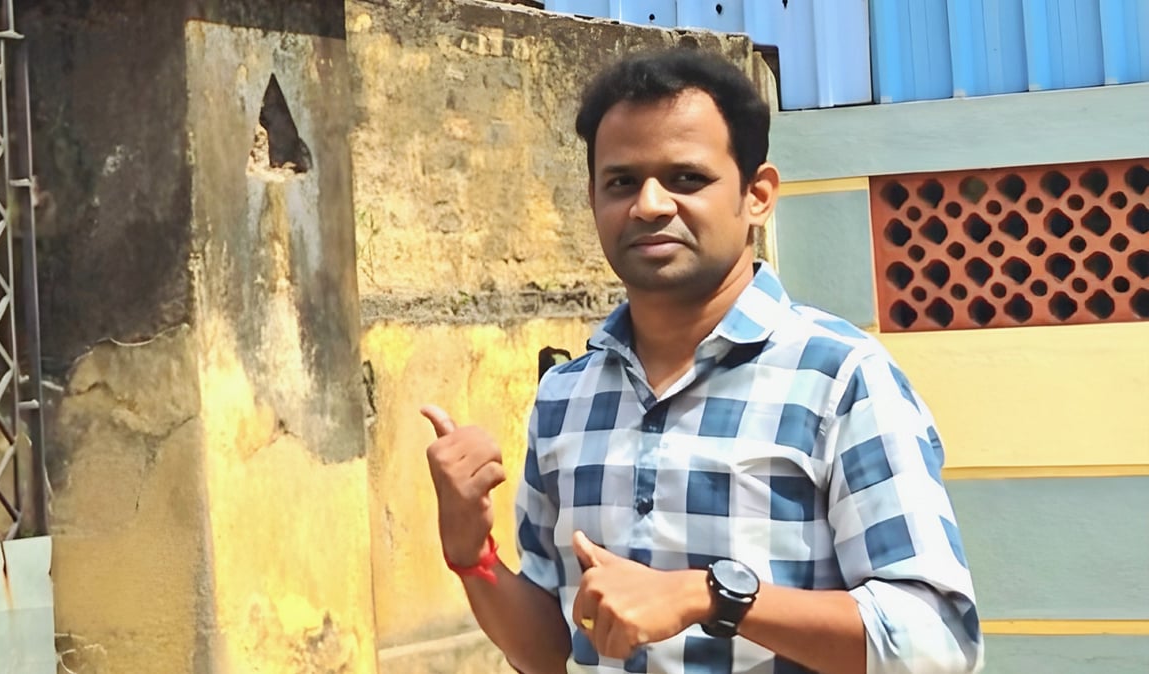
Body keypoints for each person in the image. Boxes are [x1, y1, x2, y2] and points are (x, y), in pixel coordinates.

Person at [421, 48, 983, 674]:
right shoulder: (564, 398)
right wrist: (472, 554)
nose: (650, 205)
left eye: (686, 179)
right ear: (593, 199)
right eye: (621, 182)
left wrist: (710, 596)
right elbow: (550, 651)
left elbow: (937, 644)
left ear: (757, 195)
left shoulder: (839, 378)